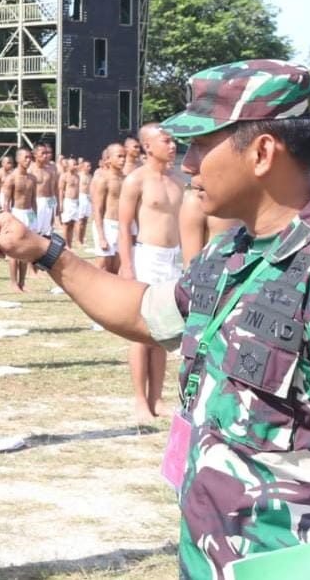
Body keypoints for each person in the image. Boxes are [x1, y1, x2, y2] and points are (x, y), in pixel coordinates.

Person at [0, 59, 310, 579]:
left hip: (298, 564)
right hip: (211, 557)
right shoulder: (230, 254)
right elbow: (145, 314)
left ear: (262, 152)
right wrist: (46, 253)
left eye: (201, 145)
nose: (188, 163)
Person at [117, 123, 184, 423]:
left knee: (165, 330)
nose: (172, 146)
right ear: (148, 146)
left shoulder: (179, 179)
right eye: (166, 141)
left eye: (172, 141)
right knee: (141, 332)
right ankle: (140, 401)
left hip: (175, 258)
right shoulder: (136, 180)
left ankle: (157, 397)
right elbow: (123, 226)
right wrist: (127, 265)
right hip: (148, 255)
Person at [1, 147, 37, 292]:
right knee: (14, 251)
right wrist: (7, 218)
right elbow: (6, 201)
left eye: (30, 157)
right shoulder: (12, 178)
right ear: (18, 159)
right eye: (25, 157)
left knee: (26, 250)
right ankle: (13, 283)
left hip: (29, 214)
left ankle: (22, 282)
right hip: (16, 212)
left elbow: (33, 200)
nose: (28, 160)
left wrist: (35, 218)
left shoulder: (32, 178)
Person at [90, 143, 126, 272]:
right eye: (119, 156)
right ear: (109, 159)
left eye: (124, 156)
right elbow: (97, 209)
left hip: (121, 226)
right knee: (103, 265)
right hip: (107, 225)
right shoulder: (103, 179)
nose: (123, 159)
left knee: (117, 266)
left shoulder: (126, 179)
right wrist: (101, 236)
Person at [31, 142, 58, 237]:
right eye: (43, 153)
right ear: (35, 154)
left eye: (47, 153)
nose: (46, 156)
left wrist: (54, 209)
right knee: (34, 230)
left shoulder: (50, 169)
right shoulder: (30, 169)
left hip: (48, 202)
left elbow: (53, 191)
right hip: (35, 202)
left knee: (47, 231)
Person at [58, 157, 81, 247]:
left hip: (75, 202)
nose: (75, 166)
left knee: (72, 223)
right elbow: (60, 190)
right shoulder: (64, 176)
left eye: (76, 164)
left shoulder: (77, 176)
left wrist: (78, 200)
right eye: (73, 164)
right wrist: (61, 204)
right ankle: (65, 244)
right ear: (68, 166)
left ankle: (69, 244)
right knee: (66, 224)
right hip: (67, 201)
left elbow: (78, 189)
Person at [76, 159, 93, 246]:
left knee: (86, 219)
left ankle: (82, 238)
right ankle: (78, 240)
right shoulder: (79, 175)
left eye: (90, 166)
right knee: (80, 220)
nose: (89, 168)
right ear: (83, 167)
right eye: (87, 166)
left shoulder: (90, 176)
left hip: (88, 197)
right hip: (81, 197)